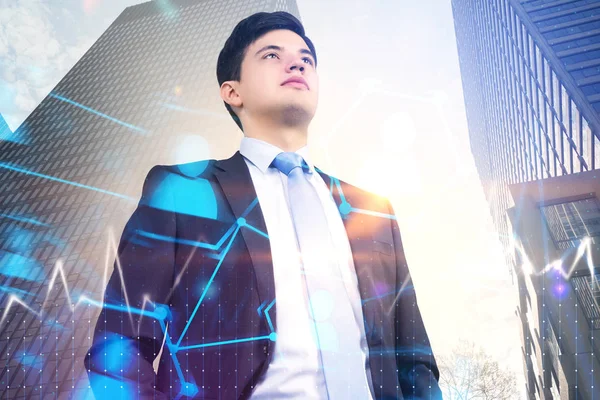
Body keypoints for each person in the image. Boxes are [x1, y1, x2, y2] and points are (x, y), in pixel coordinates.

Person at [84, 11, 441, 400]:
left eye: (306, 58)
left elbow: (414, 361)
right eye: (272, 55)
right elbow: (120, 342)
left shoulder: (373, 213)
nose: (296, 63)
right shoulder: (181, 192)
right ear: (232, 92)